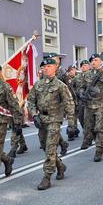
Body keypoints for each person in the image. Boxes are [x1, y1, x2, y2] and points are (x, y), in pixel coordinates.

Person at [28, 58, 75, 190]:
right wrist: (34, 115)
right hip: (41, 120)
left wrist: (71, 124)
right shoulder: (38, 85)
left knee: (50, 148)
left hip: (54, 119)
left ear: (55, 68)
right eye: (44, 67)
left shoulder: (60, 85)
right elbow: (30, 101)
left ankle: (47, 177)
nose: (46, 68)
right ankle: (60, 166)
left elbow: (69, 104)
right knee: (44, 146)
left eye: (49, 66)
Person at [79, 54, 103, 162]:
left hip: (101, 106)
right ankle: (99, 143)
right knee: (89, 129)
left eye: (96, 60)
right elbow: (82, 87)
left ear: (100, 62)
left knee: (100, 129)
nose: (93, 62)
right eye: (92, 60)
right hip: (88, 106)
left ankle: (98, 150)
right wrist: (81, 94)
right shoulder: (86, 75)